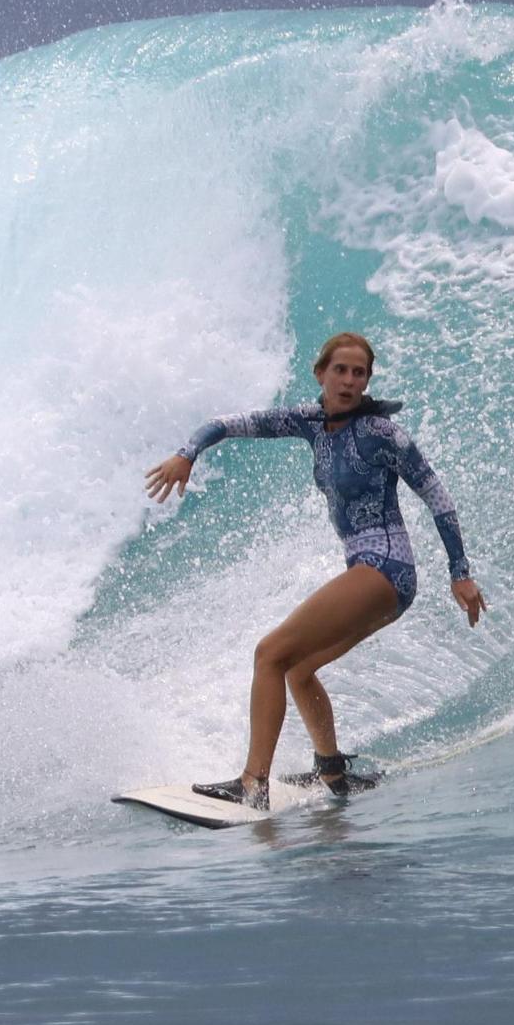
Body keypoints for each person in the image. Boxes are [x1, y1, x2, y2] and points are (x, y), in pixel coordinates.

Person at [144, 331, 486, 807]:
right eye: (340, 370)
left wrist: (460, 573)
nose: (348, 381)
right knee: (297, 669)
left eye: (359, 373)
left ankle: (251, 785)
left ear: (367, 381)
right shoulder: (307, 422)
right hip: (374, 573)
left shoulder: (382, 434)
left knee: (269, 654)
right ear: (320, 373)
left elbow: (439, 499)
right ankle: (332, 772)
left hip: (386, 568)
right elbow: (225, 424)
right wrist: (187, 453)